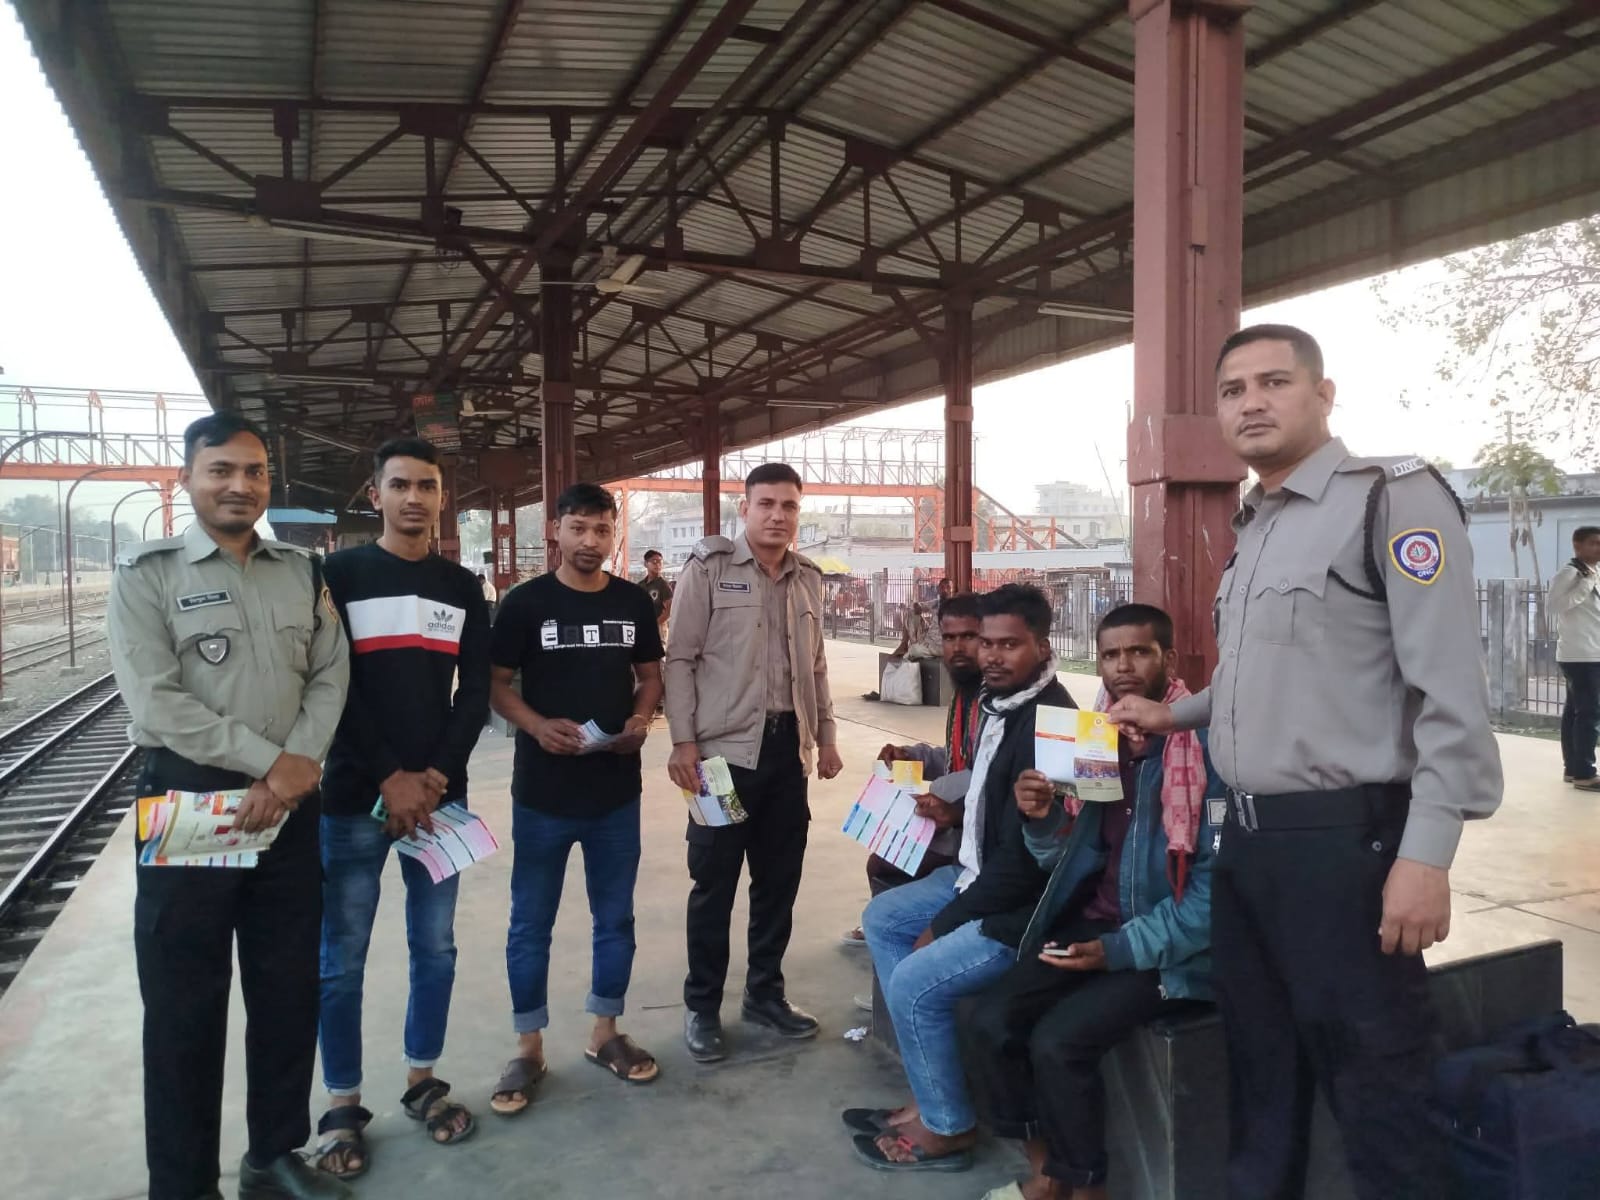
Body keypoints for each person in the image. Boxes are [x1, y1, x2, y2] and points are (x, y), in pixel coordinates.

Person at [1108, 324, 1502, 1199]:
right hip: (1248, 845)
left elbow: (1450, 694)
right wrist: (1172, 714)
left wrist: (1427, 854)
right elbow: (1255, 679)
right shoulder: (1256, 526)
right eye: (1233, 390)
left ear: (1324, 395)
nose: (1251, 402)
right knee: (1261, 1069)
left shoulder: (1390, 501)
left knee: (1379, 1082)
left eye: (1274, 382)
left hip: (1346, 847)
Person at [108, 413, 351, 1200]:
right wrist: (272, 764)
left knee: (286, 990)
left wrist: (292, 771)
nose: (239, 485)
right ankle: (182, 1184)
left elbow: (331, 672)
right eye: (220, 470)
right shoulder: (147, 575)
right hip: (191, 803)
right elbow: (155, 702)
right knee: (185, 1004)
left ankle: (272, 1158)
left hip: (288, 807)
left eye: (254, 471)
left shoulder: (301, 572)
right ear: (187, 479)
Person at [966, 603, 1223, 1200]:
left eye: (1139, 652)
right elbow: (1066, 856)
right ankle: (1046, 1170)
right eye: (1111, 654)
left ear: (1169, 660)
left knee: (1059, 1043)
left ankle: (1086, 1189)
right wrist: (1041, 817)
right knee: (991, 1019)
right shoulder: (1094, 737)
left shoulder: (1206, 748)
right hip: (1098, 923)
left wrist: (1118, 951)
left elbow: (1212, 899)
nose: (1123, 666)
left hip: (1174, 951)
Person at [846, 584, 1075, 1173]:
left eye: (1007, 644)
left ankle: (947, 1126)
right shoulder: (999, 703)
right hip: (975, 877)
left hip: (1024, 913)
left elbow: (1030, 865)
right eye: (984, 642)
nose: (989, 655)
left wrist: (947, 923)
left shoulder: (1055, 724)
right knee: (883, 918)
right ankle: (934, 1093)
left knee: (914, 981)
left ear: (1042, 645)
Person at [312, 437, 491, 1179]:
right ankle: (342, 1106)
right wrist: (390, 776)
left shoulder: (461, 585)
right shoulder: (340, 575)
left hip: (441, 801)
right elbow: (334, 686)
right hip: (355, 796)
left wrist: (434, 777)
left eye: (427, 486)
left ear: (442, 497)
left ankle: (423, 1081)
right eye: (400, 485)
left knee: (436, 948)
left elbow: (473, 694)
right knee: (341, 960)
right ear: (375, 494)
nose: (414, 498)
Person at [486, 482, 664, 1115]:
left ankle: (605, 1032)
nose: (590, 540)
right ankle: (528, 1046)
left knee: (614, 919)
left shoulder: (632, 601)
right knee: (530, 924)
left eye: (601, 529)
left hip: (615, 794)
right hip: (543, 796)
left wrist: (640, 721)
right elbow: (495, 684)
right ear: (555, 531)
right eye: (578, 528)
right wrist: (536, 726)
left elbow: (650, 676)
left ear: (614, 534)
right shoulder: (525, 603)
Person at [664, 462, 843, 1062]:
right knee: (713, 883)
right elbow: (680, 659)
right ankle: (702, 1007)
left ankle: (765, 993)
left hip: (787, 753)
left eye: (789, 506)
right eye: (766, 504)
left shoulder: (808, 578)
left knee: (778, 881)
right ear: (744, 509)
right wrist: (683, 742)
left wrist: (826, 736)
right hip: (721, 758)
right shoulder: (709, 569)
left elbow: (816, 666)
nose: (777, 516)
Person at [841, 590, 984, 949]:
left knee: (883, 864)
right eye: (949, 638)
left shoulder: (999, 699)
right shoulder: (965, 694)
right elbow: (957, 757)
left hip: (977, 831)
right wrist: (912, 756)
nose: (958, 648)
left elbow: (991, 773)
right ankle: (891, 929)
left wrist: (946, 805)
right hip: (955, 817)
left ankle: (894, 932)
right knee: (882, 852)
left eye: (969, 636)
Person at [1551, 525, 1600, 790]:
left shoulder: (1594, 571)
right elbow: (1554, 606)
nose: (1599, 548)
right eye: (1594, 543)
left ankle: (1573, 768)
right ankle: (1585, 773)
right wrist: (1586, 584)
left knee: (1575, 711)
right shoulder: (1570, 573)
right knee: (1589, 713)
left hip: (1592, 651)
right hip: (1580, 654)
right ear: (1577, 546)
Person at [638, 548, 673, 645]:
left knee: (658, 652)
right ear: (646, 564)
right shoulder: (640, 585)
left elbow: (669, 611)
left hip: (659, 627)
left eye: (660, 562)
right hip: (643, 627)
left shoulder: (663, 585)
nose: (658, 565)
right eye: (654, 562)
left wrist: (654, 624)